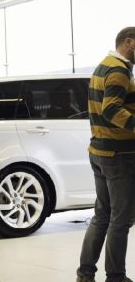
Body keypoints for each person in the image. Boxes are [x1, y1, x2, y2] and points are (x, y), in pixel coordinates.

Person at [76, 27, 135, 282]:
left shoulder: (103, 66)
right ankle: (116, 277)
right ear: (129, 42)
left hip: (99, 151)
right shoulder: (119, 70)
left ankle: (85, 274)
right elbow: (112, 110)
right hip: (118, 154)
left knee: (102, 215)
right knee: (120, 220)